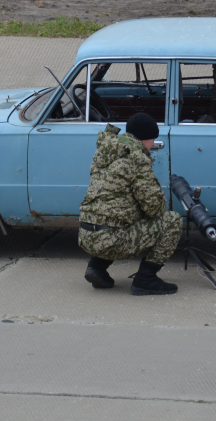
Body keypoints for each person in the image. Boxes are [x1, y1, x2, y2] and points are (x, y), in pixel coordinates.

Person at [78, 113, 184, 295]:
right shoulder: (137, 159)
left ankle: (96, 268)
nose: (152, 146)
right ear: (145, 139)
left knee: (115, 215)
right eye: (152, 140)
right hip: (110, 242)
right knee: (172, 220)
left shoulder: (105, 152)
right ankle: (146, 279)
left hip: (86, 236)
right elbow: (155, 208)